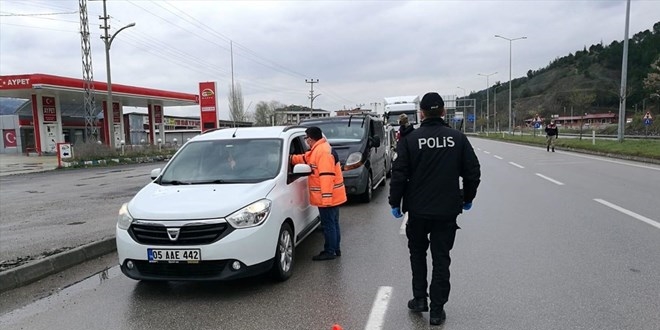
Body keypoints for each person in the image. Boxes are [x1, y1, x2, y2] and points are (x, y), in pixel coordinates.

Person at [389, 92, 481, 326]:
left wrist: (394, 202)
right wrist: (467, 198)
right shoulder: (457, 138)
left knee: (417, 254)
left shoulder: (410, 140)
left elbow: (399, 174)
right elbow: (472, 172)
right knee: (441, 258)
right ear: (443, 112)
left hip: (418, 211)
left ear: (421, 113)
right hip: (447, 211)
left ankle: (420, 299)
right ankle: (437, 310)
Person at [290, 127, 347, 261]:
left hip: (328, 197)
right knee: (333, 223)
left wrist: (326, 199)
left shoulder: (323, 152)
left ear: (310, 138)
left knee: (329, 224)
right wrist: (291, 158)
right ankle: (335, 248)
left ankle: (330, 251)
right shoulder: (319, 149)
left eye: (306, 138)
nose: (305, 141)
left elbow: (326, 176)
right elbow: (306, 158)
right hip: (332, 195)